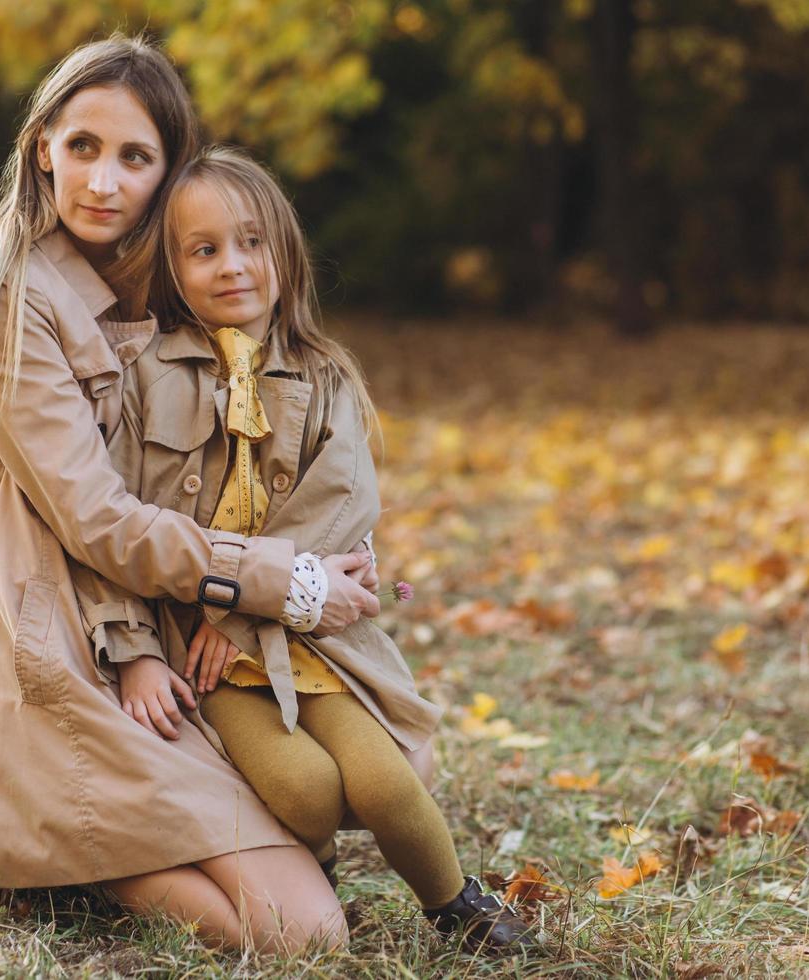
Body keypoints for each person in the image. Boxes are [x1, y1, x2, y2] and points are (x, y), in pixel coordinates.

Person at [0, 36, 382, 953]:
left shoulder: (157, 281)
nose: (103, 182)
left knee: (313, 903)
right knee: (302, 937)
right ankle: (21, 837)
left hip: (160, 630)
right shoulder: (4, 291)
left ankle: (47, 831)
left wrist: (330, 538)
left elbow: (225, 463)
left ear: (168, 172)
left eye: (135, 157)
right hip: (51, 638)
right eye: (83, 146)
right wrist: (284, 579)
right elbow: (94, 518)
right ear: (42, 145)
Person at [77, 145, 536, 952]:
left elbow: (341, 507)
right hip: (202, 654)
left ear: (284, 252)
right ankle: (295, 860)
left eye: (251, 242)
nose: (233, 267)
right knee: (306, 789)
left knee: (387, 782)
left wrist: (246, 614)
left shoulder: (326, 377)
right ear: (173, 269)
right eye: (204, 249)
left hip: (300, 634)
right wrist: (136, 647)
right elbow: (112, 530)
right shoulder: (147, 376)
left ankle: (459, 906)